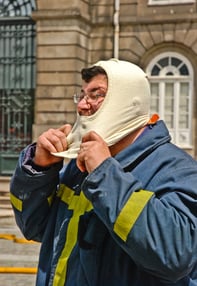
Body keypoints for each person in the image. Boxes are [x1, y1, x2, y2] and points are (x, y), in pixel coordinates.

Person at [10, 59, 197, 286]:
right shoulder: (78, 164)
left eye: (96, 95)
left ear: (129, 102)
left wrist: (105, 174)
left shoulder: (177, 168)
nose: (81, 106)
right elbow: (35, 228)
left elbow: (175, 256)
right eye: (82, 95)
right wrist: (39, 170)